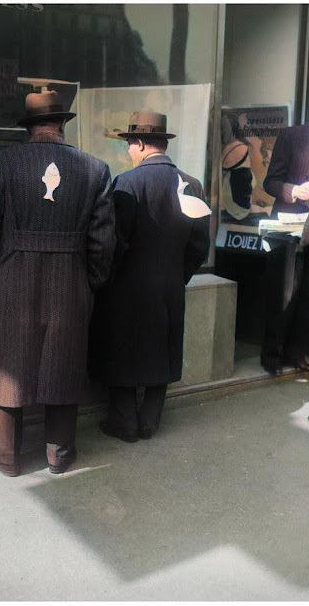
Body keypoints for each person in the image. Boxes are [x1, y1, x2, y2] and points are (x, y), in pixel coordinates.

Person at [0, 90, 115, 476]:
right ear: (63, 123)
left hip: (10, 280)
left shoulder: (1, 164)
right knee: (62, 366)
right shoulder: (95, 169)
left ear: (29, 127)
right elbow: (103, 242)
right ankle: (59, 454)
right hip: (69, 282)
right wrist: (88, 285)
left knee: (7, 368)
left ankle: (6, 456)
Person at [88, 110, 211, 443]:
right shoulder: (192, 184)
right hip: (170, 285)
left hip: (127, 288)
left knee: (122, 350)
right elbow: (200, 245)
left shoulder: (127, 183)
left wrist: (106, 279)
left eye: (129, 144)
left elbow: (115, 241)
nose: (128, 151)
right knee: (164, 349)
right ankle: (151, 420)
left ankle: (124, 420)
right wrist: (177, 274)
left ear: (140, 144)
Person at [260, 93, 309, 375]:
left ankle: (296, 354)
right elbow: (270, 181)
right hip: (290, 228)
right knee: (283, 294)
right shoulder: (291, 137)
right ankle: (272, 357)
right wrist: (294, 191)